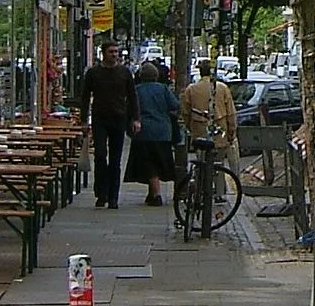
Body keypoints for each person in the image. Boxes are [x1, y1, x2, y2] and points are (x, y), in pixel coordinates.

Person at [77, 43, 137, 209]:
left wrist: (135, 118)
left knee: (116, 160)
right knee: (100, 155)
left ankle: (113, 197)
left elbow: (132, 96)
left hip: (119, 118)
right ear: (103, 53)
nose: (114, 54)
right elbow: (84, 97)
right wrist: (84, 120)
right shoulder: (93, 73)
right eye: (111, 52)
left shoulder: (124, 72)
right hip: (99, 118)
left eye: (116, 52)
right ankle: (101, 193)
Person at [126, 60, 182, 207]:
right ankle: (153, 194)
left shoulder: (136, 90)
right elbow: (175, 105)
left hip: (143, 132)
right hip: (163, 131)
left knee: (147, 162)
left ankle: (156, 194)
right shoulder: (163, 89)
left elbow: (129, 108)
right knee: (158, 161)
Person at [180, 60, 239, 176]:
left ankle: (201, 185)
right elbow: (231, 113)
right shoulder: (222, 88)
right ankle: (219, 189)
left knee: (201, 161)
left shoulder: (191, 89)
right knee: (218, 162)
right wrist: (231, 132)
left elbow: (185, 113)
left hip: (199, 130)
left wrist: (190, 127)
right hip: (219, 130)